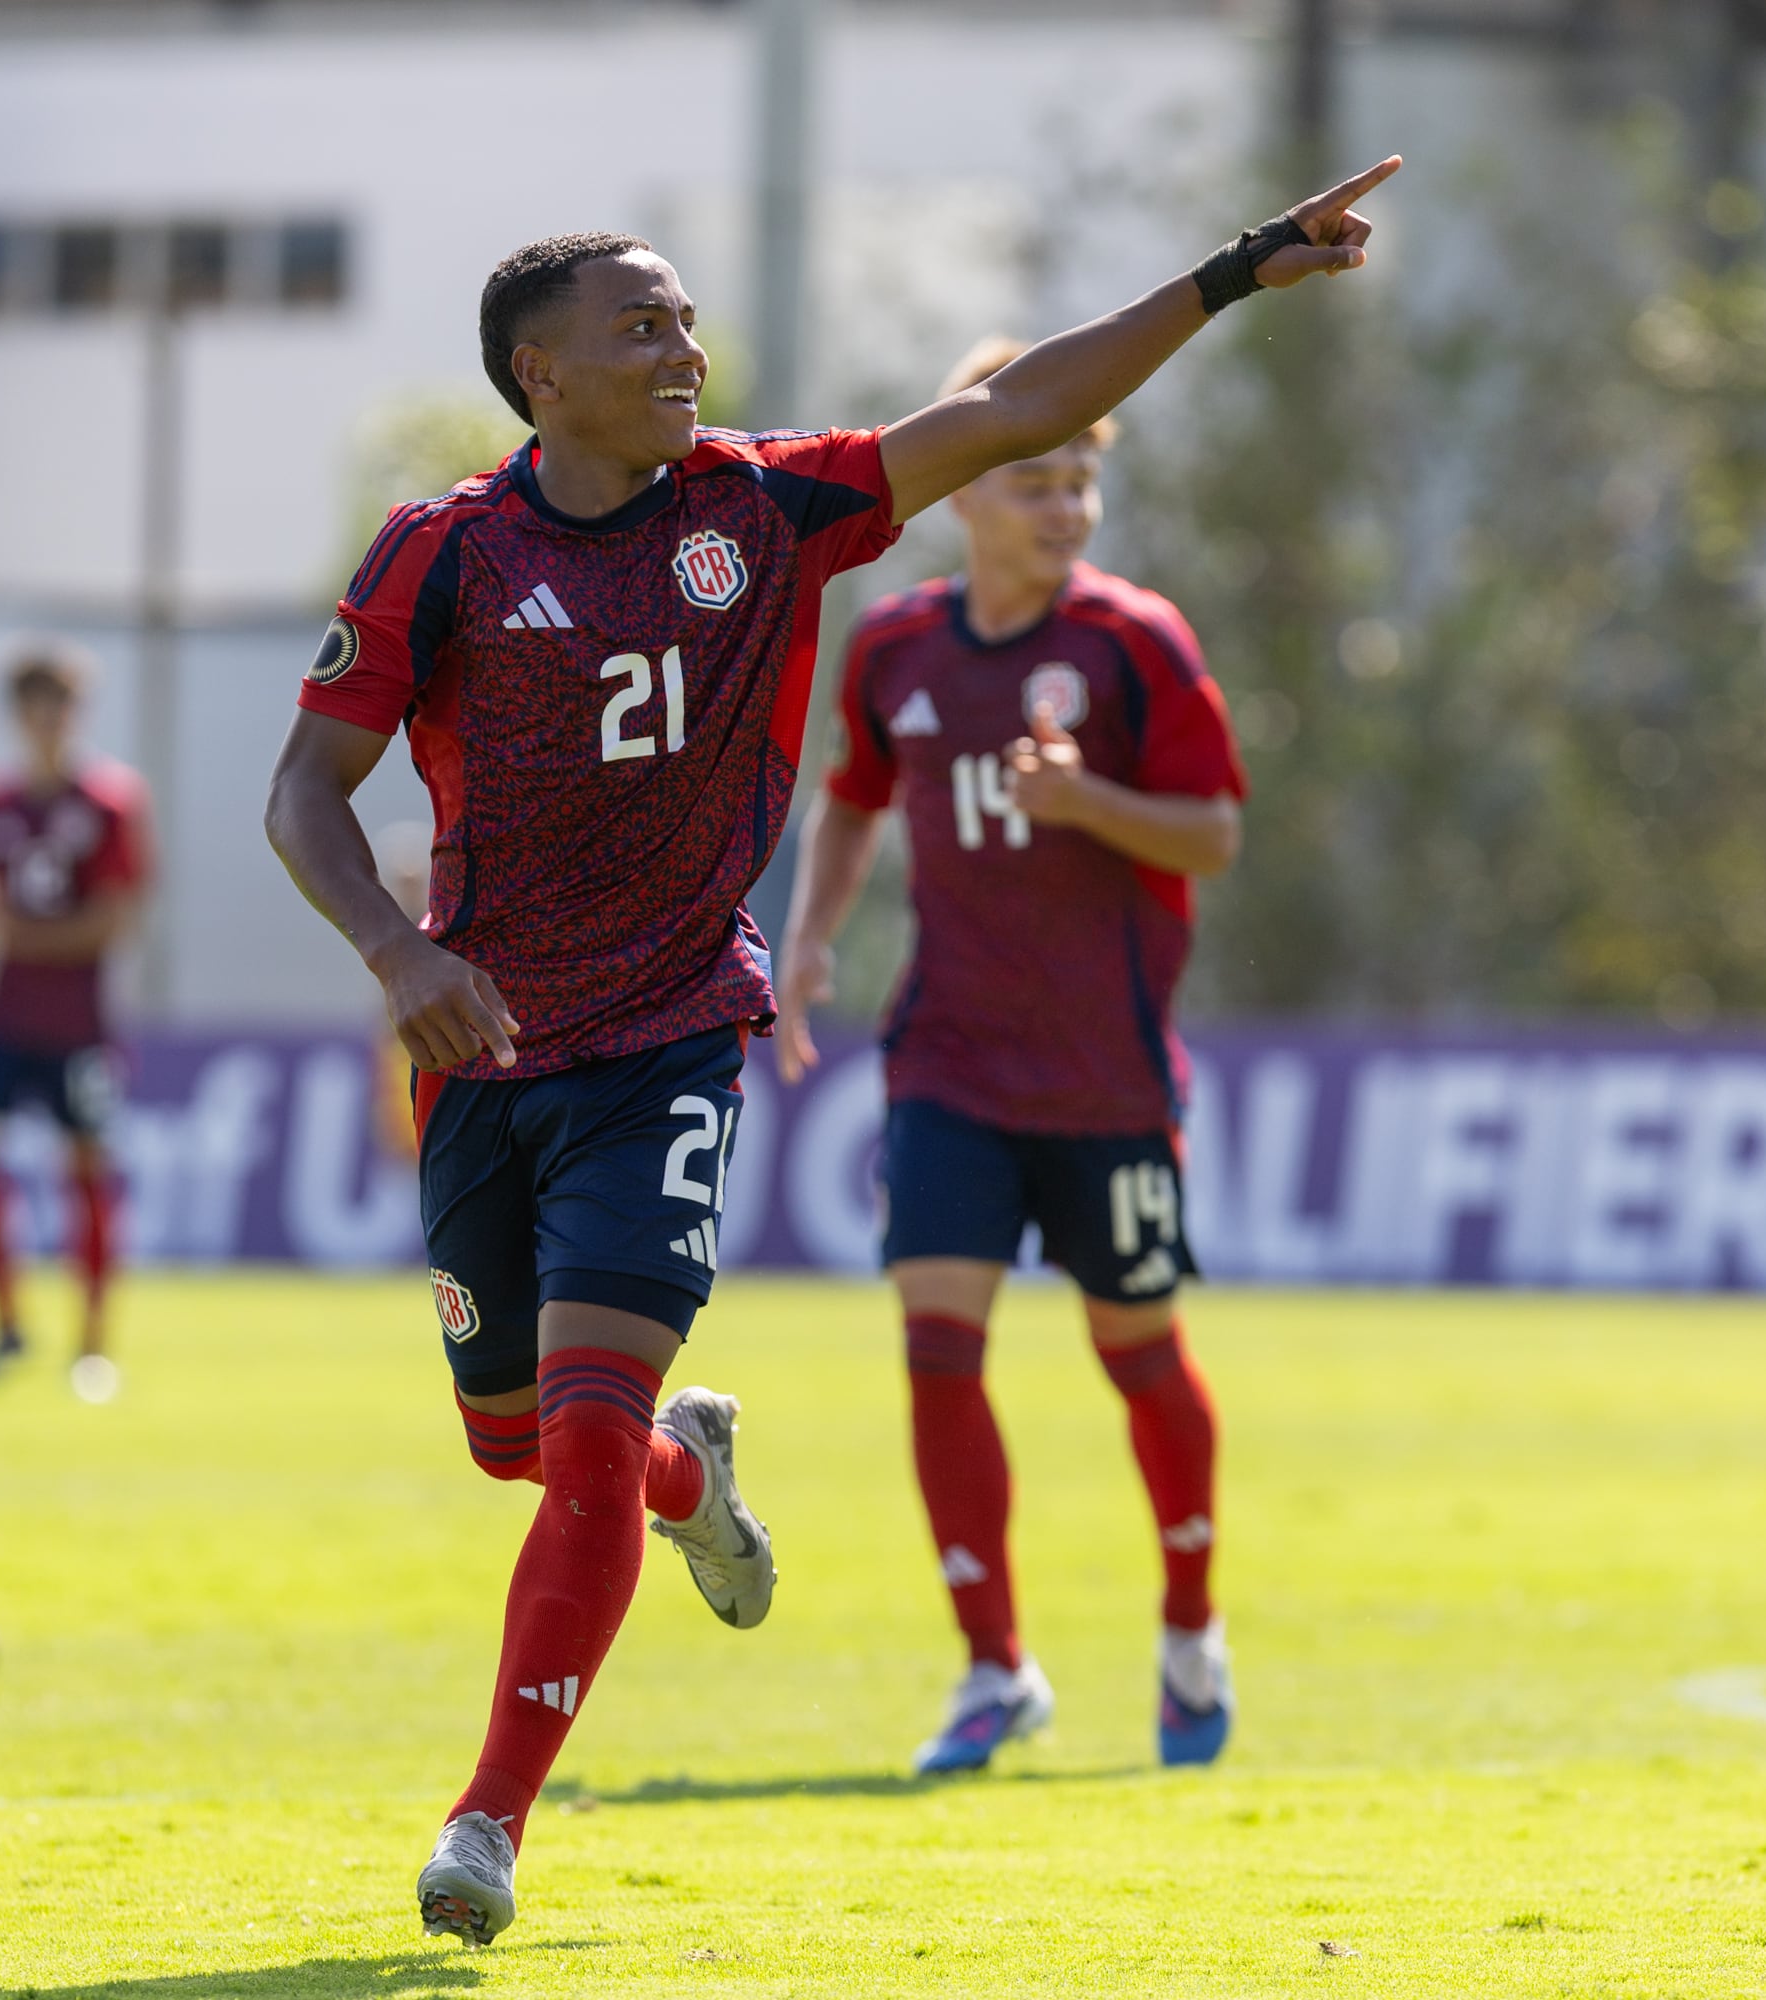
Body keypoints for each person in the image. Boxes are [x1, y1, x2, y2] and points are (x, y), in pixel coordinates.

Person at [263, 155, 1395, 1944]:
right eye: (640, 326)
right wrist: (396, 952)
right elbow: (302, 795)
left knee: (572, 1446)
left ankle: (487, 1823)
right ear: (539, 372)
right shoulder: (444, 552)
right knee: (519, 1448)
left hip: (671, 1039)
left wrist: (1239, 272)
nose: (684, 345)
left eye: (688, 317)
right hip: (481, 1048)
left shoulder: (769, 510)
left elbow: (1017, 403)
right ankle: (688, 1483)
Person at [776, 335, 1248, 1777]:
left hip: (1105, 1075)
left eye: (1081, 484)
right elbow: (851, 799)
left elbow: (1215, 835)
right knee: (936, 1354)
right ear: (969, 493)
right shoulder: (898, 647)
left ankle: (1187, 1626)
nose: (1063, 510)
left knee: (1141, 1357)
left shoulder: (1133, 643)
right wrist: (809, 941)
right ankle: (994, 1668)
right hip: (949, 1064)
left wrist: (1092, 803)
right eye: (1033, 481)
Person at [0, 644, 152, 1404]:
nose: (46, 721)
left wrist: (9, 926)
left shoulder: (112, 801)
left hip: (80, 1021)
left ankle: (93, 1347)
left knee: (88, 1167)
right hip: (2, 1011)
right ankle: (5, 1324)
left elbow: (116, 920)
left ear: (76, 712)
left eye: (58, 705)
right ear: (16, 715)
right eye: (33, 705)